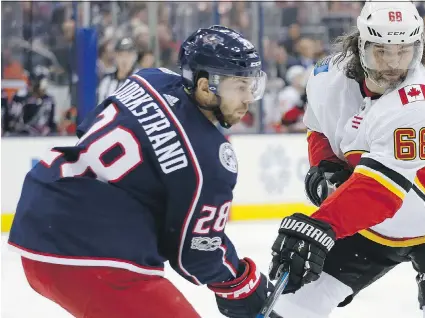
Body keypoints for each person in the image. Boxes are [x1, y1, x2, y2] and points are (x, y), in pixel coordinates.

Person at [8, 25, 275, 318]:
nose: (249, 99)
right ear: (204, 86)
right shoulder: (211, 159)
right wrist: (240, 282)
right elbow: (195, 254)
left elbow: (88, 127)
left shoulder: (148, 79)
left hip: (40, 220)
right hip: (93, 256)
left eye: (252, 87)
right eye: (239, 87)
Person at [268, 2, 425, 318]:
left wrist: (322, 225)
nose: (393, 64)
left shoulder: (419, 102)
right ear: (360, 45)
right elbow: (319, 126)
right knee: (289, 307)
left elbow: (380, 192)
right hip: (369, 225)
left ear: (419, 48)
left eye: (404, 51)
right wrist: (325, 165)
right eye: (381, 51)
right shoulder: (326, 77)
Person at [3, 68, 57, 136]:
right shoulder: (20, 98)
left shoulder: (49, 100)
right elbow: (11, 123)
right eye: (43, 82)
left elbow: (51, 123)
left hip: (43, 138)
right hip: (20, 137)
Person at [96, 37, 139, 103]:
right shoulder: (106, 80)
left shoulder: (140, 80)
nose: (124, 60)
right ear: (115, 56)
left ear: (134, 56)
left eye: (128, 55)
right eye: (121, 55)